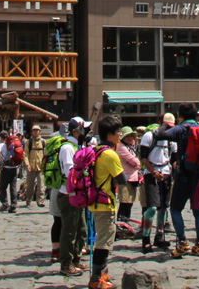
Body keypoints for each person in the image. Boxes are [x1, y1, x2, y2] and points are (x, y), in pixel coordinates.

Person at [153, 104, 199, 258]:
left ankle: (182, 242)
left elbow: (159, 135)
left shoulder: (182, 128)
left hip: (184, 175)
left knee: (175, 209)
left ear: (180, 116)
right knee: (198, 210)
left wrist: (165, 126)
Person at [87, 115, 126, 289]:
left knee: (101, 239)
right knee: (103, 242)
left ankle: (103, 275)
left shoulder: (95, 150)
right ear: (110, 134)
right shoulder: (110, 154)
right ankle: (97, 280)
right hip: (105, 203)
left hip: (94, 202)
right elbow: (123, 179)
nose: (120, 134)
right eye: (118, 131)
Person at [139, 114, 175, 253]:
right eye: (165, 125)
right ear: (160, 123)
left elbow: (174, 157)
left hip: (166, 173)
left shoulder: (172, 139)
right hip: (151, 174)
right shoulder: (149, 136)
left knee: (164, 207)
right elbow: (143, 157)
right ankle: (146, 238)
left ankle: (159, 236)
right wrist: (154, 172)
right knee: (152, 207)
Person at [58, 118, 88, 277]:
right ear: (76, 131)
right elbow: (70, 173)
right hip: (68, 194)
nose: (86, 133)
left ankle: (76, 259)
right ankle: (66, 263)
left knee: (81, 229)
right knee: (69, 231)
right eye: (84, 129)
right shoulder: (68, 148)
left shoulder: (76, 146)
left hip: (77, 194)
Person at [116, 126, 142, 222]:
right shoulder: (122, 148)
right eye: (127, 136)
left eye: (131, 135)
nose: (130, 138)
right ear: (122, 138)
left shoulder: (130, 147)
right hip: (125, 179)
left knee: (129, 204)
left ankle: (125, 224)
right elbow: (135, 161)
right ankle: (121, 224)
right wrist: (138, 163)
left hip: (133, 179)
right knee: (124, 203)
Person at [0, 130, 22, 212]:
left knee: (3, 187)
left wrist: (0, 163)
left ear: (0, 138)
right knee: (13, 187)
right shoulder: (14, 144)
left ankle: (5, 204)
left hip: (5, 168)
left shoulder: (1, 146)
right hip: (14, 167)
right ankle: (13, 205)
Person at [25, 125, 46, 207]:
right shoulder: (28, 142)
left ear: (39, 132)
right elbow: (25, 154)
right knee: (30, 185)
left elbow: (46, 154)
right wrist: (27, 164)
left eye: (37, 130)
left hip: (41, 166)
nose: (35, 132)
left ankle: (40, 200)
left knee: (41, 185)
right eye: (34, 130)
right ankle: (28, 198)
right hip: (31, 166)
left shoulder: (43, 142)